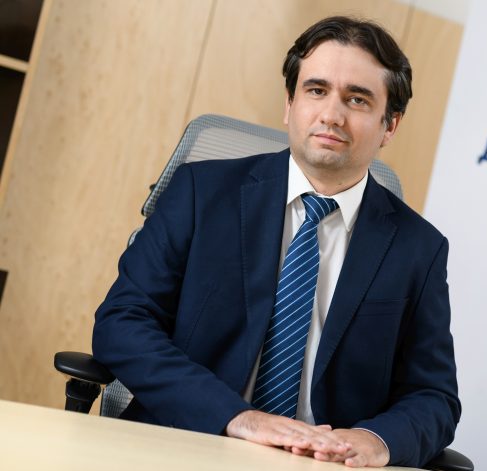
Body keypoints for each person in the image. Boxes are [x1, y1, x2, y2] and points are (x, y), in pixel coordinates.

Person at [92, 16, 459, 468]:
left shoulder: (419, 248)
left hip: (322, 462)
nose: (331, 115)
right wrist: (237, 417)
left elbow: (433, 395)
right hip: (186, 444)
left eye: (357, 99)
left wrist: (374, 440)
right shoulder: (200, 193)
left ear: (390, 125)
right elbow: (122, 325)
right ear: (289, 104)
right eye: (316, 90)